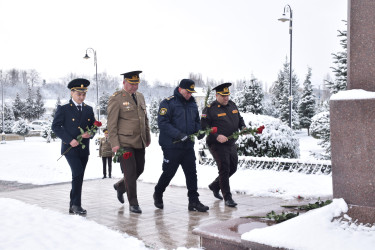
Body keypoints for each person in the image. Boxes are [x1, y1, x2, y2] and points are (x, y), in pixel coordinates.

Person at [153, 79, 209, 212]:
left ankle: (193, 201)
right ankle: (158, 192)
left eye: (191, 92)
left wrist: (199, 131)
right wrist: (178, 134)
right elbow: (163, 123)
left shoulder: (192, 104)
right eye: (187, 92)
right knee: (169, 172)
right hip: (171, 145)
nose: (189, 95)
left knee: (191, 173)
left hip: (187, 145)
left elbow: (196, 121)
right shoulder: (168, 102)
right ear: (180, 89)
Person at [107, 70, 151, 214]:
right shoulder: (116, 98)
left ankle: (120, 187)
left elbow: (144, 119)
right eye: (131, 84)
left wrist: (147, 136)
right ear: (124, 82)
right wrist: (114, 143)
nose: (134, 87)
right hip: (124, 142)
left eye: (136, 84)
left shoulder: (140, 96)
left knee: (140, 169)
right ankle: (133, 203)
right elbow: (111, 124)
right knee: (130, 172)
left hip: (139, 141)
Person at [52, 78, 96, 215]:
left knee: (79, 176)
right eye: (79, 94)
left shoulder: (89, 109)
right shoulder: (64, 109)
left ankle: (72, 205)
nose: (81, 97)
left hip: (84, 149)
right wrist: (69, 140)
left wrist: (91, 133)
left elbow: (94, 126)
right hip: (70, 148)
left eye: (84, 94)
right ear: (72, 93)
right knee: (77, 173)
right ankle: (76, 205)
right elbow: (55, 126)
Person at [201, 82, 246, 207]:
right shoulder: (210, 109)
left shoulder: (232, 105)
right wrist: (216, 135)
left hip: (231, 142)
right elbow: (204, 127)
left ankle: (215, 185)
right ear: (217, 95)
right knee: (224, 169)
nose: (226, 98)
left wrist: (243, 127)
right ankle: (228, 198)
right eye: (223, 96)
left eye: (227, 95)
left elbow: (240, 118)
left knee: (233, 168)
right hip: (216, 144)